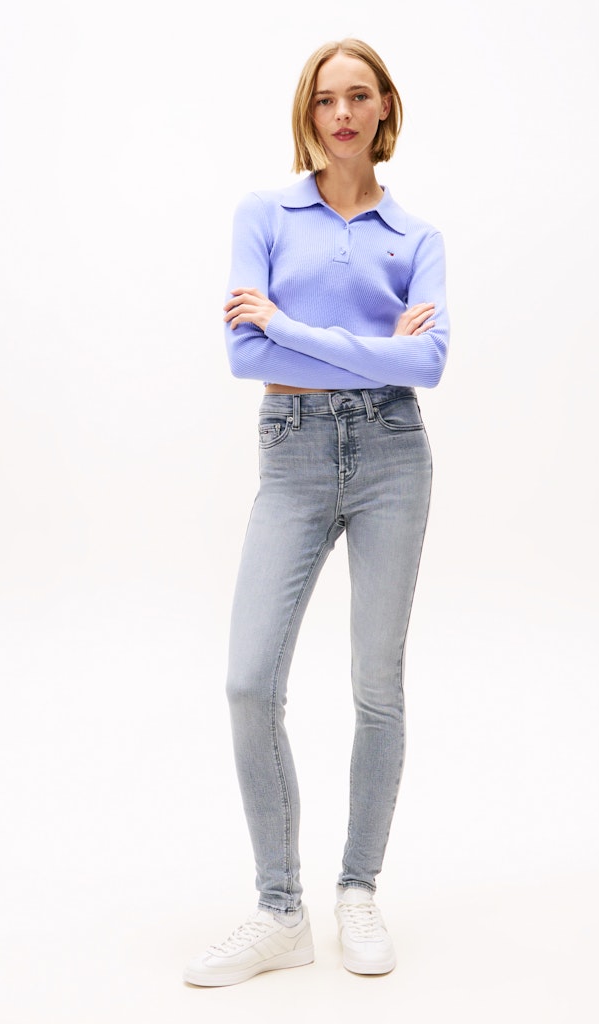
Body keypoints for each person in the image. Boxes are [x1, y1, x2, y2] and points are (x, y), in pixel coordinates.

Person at [184, 37, 450, 987]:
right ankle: (280, 909)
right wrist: (373, 346)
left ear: (384, 110)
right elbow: (243, 356)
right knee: (249, 681)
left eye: (359, 96)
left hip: (392, 455)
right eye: (326, 98)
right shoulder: (263, 214)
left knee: (377, 684)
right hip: (292, 454)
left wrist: (291, 328)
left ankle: (358, 891)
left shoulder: (417, 238)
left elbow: (428, 365)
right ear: (309, 112)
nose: (342, 113)